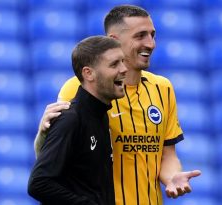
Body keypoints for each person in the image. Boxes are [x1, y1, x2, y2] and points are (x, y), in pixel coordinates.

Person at [35, 5, 201, 205]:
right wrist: (42, 134)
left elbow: (167, 154)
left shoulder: (162, 88)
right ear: (114, 41)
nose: (151, 43)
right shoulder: (79, 88)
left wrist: (171, 177)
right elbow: (53, 158)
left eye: (152, 35)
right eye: (140, 36)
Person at [28, 36, 127, 205]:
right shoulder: (70, 118)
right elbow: (38, 183)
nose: (124, 69)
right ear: (88, 73)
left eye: (123, 61)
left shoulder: (101, 115)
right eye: (114, 64)